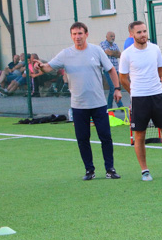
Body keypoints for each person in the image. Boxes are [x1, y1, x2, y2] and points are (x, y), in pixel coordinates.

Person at [38, 22, 122, 180]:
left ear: (86, 34)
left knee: (106, 137)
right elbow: (48, 67)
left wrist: (117, 89)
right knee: (83, 139)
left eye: (80, 34)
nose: (77, 37)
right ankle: (89, 170)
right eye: (74, 34)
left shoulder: (96, 50)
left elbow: (111, 69)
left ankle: (110, 169)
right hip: (78, 106)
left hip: (98, 104)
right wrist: (41, 66)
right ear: (71, 36)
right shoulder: (65, 54)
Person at [119, 21, 162, 181]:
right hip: (139, 100)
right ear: (132, 35)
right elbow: (123, 78)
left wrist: (153, 85)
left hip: (157, 96)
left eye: (144, 31)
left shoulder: (155, 49)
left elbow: (159, 70)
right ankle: (145, 170)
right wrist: (134, 91)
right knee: (139, 136)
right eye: (139, 32)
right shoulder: (126, 54)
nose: (143, 35)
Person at [100, 31, 124, 108]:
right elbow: (108, 52)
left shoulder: (115, 45)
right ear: (106, 37)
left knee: (114, 88)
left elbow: (120, 55)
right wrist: (114, 53)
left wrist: (111, 52)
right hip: (108, 70)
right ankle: (120, 106)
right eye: (111, 36)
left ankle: (109, 107)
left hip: (116, 69)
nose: (113, 38)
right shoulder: (103, 44)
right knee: (113, 87)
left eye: (114, 36)